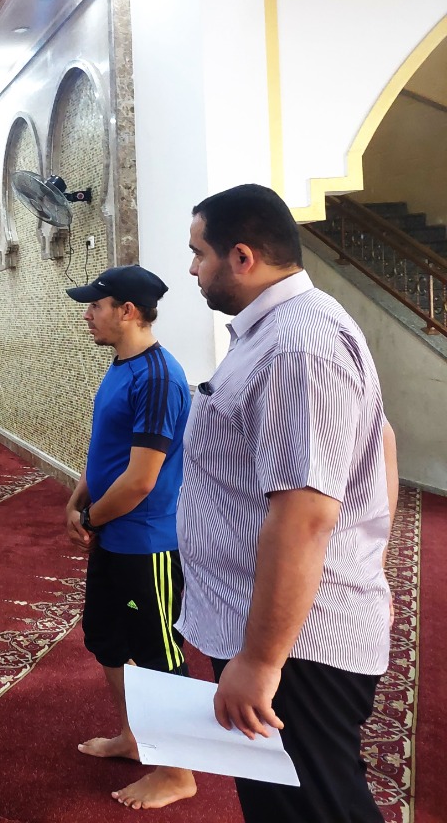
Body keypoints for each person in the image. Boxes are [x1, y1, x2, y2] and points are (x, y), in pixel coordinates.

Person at [179, 183, 399, 822]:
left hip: (297, 642)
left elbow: (304, 519)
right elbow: (382, 441)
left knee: (314, 811)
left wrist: (259, 660)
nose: (192, 269)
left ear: (242, 257)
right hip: (283, 624)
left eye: (199, 253)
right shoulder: (281, 328)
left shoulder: (296, 345)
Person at [63, 265, 196, 810]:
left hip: (147, 542)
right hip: (113, 536)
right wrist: (78, 497)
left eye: (96, 305)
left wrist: (93, 519)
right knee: (107, 640)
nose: (88, 314)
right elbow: (108, 448)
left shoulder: (159, 378)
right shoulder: (121, 366)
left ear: (128, 311)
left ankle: (179, 771)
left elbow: (141, 480)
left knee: (159, 654)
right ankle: (134, 736)